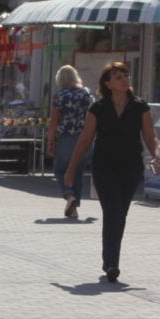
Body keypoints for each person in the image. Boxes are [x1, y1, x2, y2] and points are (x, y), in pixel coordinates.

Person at [65, 61, 160, 284]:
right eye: (118, 77)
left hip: (130, 168)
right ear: (108, 83)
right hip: (104, 167)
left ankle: (110, 259)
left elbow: (150, 136)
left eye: (126, 75)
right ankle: (111, 263)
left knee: (120, 214)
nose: (124, 79)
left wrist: (156, 154)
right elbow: (85, 140)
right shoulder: (98, 109)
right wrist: (71, 169)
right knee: (113, 212)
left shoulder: (139, 107)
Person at [46, 65, 94, 219]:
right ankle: (74, 210)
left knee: (60, 170)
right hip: (84, 137)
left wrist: (50, 142)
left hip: (65, 138)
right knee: (77, 171)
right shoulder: (86, 94)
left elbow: (54, 121)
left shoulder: (59, 95)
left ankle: (69, 196)